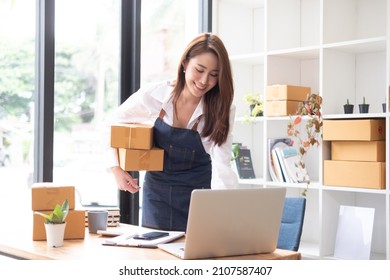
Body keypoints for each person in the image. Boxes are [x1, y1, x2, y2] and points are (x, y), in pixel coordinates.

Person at [106, 32, 238, 231]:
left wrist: (224, 211)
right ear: (185, 63)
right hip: (157, 196)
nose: (204, 80)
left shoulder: (222, 109)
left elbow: (222, 165)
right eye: (199, 70)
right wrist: (115, 168)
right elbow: (112, 122)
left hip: (199, 197)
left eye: (214, 75)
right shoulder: (155, 95)